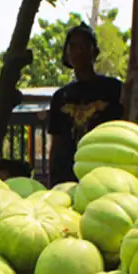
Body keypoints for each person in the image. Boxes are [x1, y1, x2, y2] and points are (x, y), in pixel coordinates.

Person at [47, 23, 124, 186]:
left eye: (83, 46)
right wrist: (51, 178)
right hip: (67, 174)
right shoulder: (60, 97)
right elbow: (56, 140)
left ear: (94, 52)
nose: (77, 51)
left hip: (103, 171)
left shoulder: (113, 89)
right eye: (73, 46)